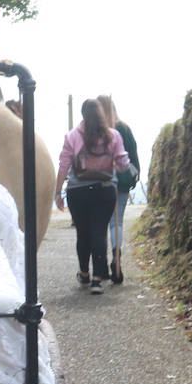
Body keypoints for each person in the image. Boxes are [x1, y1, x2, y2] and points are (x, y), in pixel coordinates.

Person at [55, 98, 131, 294]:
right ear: (101, 115)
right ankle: (97, 279)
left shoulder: (72, 136)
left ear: (82, 115)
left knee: (83, 233)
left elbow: (64, 165)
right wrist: (123, 167)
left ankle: (84, 274)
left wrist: (57, 192)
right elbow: (122, 163)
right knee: (99, 232)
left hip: (77, 190)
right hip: (104, 189)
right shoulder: (113, 136)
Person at [97, 94, 139, 283]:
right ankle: (117, 258)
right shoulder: (124, 128)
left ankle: (102, 266)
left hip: (99, 182)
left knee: (100, 224)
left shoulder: (95, 131)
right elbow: (134, 157)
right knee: (117, 222)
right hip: (121, 182)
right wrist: (133, 177)